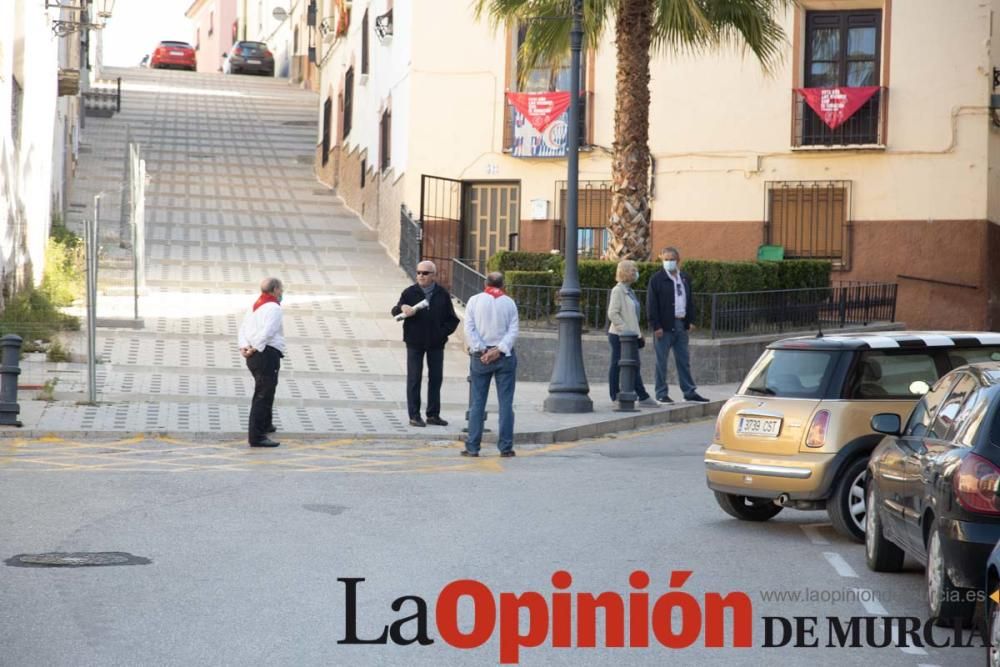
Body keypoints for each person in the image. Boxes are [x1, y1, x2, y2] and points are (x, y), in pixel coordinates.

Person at [391, 260, 460, 427]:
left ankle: (433, 414)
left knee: (436, 379)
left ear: (433, 275)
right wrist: (402, 309)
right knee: (414, 378)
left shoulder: (442, 293)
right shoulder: (409, 292)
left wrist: (441, 333)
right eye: (419, 272)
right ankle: (414, 415)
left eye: (425, 273)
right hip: (414, 342)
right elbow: (394, 311)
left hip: (436, 344)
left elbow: (452, 319)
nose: (421, 275)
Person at [463, 272, 519, 458]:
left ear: (485, 283)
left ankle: (473, 447)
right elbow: (513, 330)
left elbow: (469, 328)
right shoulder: (509, 303)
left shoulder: (474, 300)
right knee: (506, 403)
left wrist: (482, 350)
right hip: (505, 356)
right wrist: (499, 349)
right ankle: (506, 447)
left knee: (478, 402)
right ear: (502, 284)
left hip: (481, 356)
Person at [646, 247, 709, 404]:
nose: (668, 262)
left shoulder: (684, 278)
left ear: (678, 260)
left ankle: (689, 391)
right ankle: (661, 393)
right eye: (665, 259)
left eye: (671, 259)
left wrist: (691, 320)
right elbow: (651, 305)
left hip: (681, 324)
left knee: (683, 360)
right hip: (664, 326)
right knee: (661, 361)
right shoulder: (657, 279)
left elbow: (689, 301)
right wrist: (656, 326)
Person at [238, 277, 286, 447]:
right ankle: (257, 437)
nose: (282, 293)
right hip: (265, 353)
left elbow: (243, 328)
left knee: (268, 389)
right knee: (262, 395)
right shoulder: (274, 308)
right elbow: (268, 332)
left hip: (254, 353)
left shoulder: (254, 305)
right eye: (281, 289)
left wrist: (244, 346)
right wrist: (254, 348)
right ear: (274, 290)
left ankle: (266, 424)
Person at [607, 260, 658, 408]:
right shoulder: (618, 291)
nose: (635, 273)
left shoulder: (630, 291)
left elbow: (632, 317)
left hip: (630, 336)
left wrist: (638, 334)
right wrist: (625, 331)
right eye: (632, 270)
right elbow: (613, 313)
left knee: (634, 365)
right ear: (624, 272)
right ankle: (617, 394)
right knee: (617, 364)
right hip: (619, 336)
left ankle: (641, 395)